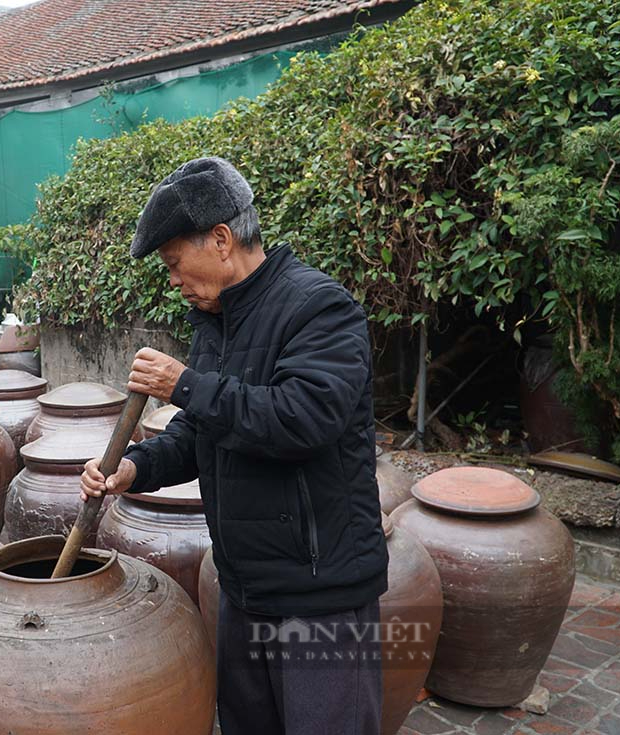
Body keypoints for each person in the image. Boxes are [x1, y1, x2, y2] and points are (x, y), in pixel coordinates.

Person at [80, 157, 388, 734]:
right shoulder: (215, 325)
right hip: (244, 586)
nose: (172, 280)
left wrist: (185, 384)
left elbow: (305, 419)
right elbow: (201, 433)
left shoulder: (319, 307)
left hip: (318, 594)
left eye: (174, 263)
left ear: (221, 240)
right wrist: (132, 468)